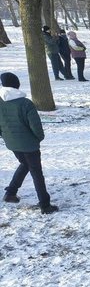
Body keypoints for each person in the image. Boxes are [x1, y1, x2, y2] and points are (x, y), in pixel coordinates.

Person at [0, 72, 58, 213]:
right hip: (29, 145)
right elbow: (36, 127)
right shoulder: (25, 103)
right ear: (17, 85)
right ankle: (45, 205)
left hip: (12, 143)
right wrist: (38, 138)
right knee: (36, 172)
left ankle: (11, 192)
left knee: (25, 164)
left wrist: (6, 136)